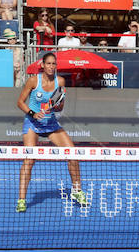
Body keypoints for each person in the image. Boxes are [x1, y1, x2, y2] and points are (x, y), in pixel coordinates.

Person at [15, 52, 87, 213]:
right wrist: (33, 113)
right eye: (48, 63)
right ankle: (21, 200)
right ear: (42, 65)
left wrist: (57, 106)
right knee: (30, 159)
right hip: (32, 123)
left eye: (54, 64)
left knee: (72, 154)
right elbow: (20, 102)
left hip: (51, 124)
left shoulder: (60, 81)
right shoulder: (34, 80)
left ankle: (77, 191)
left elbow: (60, 107)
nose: (51, 67)